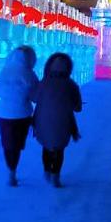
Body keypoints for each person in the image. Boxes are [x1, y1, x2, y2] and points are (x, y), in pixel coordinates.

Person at [30, 52, 82, 188]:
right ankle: (56, 176)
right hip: (63, 123)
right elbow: (77, 108)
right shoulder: (71, 85)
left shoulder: (43, 83)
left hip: (43, 121)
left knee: (46, 147)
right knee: (59, 150)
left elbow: (34, 98)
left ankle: (47, 170)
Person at [0, 45, 38, 186]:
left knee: (7, 143)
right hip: (22, 114)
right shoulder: (29, 73)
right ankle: (13, 170)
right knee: (17, 144)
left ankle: (10, 170)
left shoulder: (5, 71)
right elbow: (35, 96)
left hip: (4, 113)